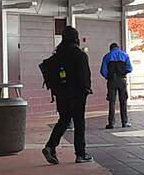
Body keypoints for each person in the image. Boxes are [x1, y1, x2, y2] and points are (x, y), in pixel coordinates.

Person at [43, 25, 93, 164]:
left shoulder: (57, 55)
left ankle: (50, 146)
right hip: (77, 94)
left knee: (64, 121)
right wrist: (87, 89)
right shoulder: (80, 55)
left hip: (61, 94)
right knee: (79, 123)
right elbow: (84, 76)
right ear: (76, 38)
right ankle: (80, 154)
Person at [100, 43, 133, 129]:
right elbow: (129, 68)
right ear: (118, 47)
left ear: (110, 48)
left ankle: (111, 123)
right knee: (123, 101)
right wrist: (123, 73)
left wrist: (108, 77)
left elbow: (103, 71)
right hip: (122, 80)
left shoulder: (107, 56)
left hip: (111, 81)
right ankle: (124, 122)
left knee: (112, 102)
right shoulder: (125, 55)